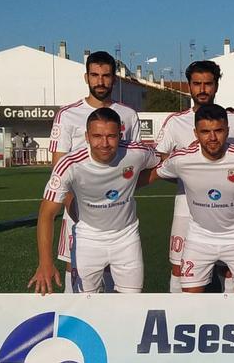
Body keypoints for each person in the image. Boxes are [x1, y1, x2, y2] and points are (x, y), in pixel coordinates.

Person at [29, 108, 159, 294]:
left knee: (131, 303)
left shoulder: (136, 152)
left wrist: (128, 184)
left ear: (120, 135)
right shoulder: (70, 164)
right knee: (85, 305)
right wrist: (45, 263)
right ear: (87, 137)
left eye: (111, 136)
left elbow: (161, 163)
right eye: (97, 136)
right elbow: (47, 213)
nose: (104, 143)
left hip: (126, 237)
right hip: (88, 238)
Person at [154, 60, 234, 292]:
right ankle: (179, 317)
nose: (202, 89)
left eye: (208, 83)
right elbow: (159, 161)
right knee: (180, 269)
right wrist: (189, 176)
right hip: (186, 209)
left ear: (216, 86)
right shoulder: (175, 122)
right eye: (196, 83)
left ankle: (229, 319)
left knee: (230, 269)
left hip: (229, 213)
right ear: (188, 86)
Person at [49, 50, 144, 292]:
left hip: (117, 216)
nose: (100, 81)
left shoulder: (129, 115)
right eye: (95, 75)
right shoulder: (67, 114)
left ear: (114, 78)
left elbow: (134, 161)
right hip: (78, 212)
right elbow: (58, 165)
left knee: (117, 283)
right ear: (86, 77)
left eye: (106, 75)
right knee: (77, 283)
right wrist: (74, 205)